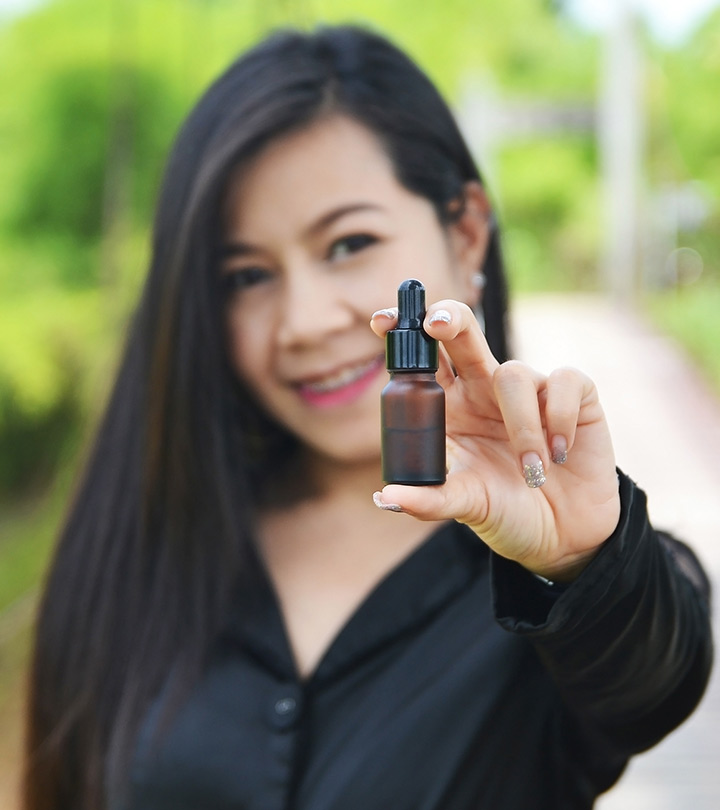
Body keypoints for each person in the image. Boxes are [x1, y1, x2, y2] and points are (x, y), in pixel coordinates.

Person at [23, 24, 712, 810]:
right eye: (247, 274)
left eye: (349, 242)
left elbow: (657, 677)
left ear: (466, 231)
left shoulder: (559, 562)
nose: (304, 321)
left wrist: (580, 562)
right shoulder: (150, 539)